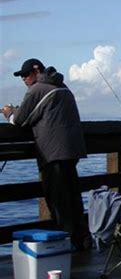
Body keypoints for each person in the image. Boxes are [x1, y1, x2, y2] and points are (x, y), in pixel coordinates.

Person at [2, 58, 91, 252]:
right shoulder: (62, 87)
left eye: (25, 75)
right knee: (73, 198)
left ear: (36, 70)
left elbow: (19, 120)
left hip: (52, 152)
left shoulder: (38, 89)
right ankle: (82, 239)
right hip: (71, 150)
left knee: (59, 201)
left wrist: (9, 112)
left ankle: (66, 243)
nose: (24, 79)